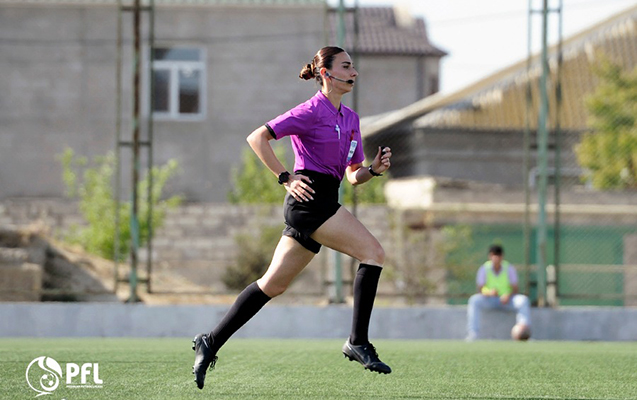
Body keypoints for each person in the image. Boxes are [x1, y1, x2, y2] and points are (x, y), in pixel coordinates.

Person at [192, 46, 393, 390]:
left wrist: (372, 170)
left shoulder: (351, 119)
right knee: (373, 253)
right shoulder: (310, 110)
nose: (354, 72)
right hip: (309, 202)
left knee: (273, 284)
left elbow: (352, 176)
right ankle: (357, 342)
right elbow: (257, 137)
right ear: (325, 73)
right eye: (346, 66)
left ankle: (209, 341)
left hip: (324, 199)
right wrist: (285, 177)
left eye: (353, 67)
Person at [466, 244, 531, 341]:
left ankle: (523, 332)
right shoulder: (484, 268)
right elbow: (480, 289)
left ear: (502, 257)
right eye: (494, 255)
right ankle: (473, 334)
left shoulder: (509, 268)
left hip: (507, 300)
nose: (496, 258)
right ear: (490, 256)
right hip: (490, 299)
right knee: (474, 300)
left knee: (523, 300)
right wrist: (489, 293)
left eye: (498, 255)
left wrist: (507, 295)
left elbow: (515, 288)